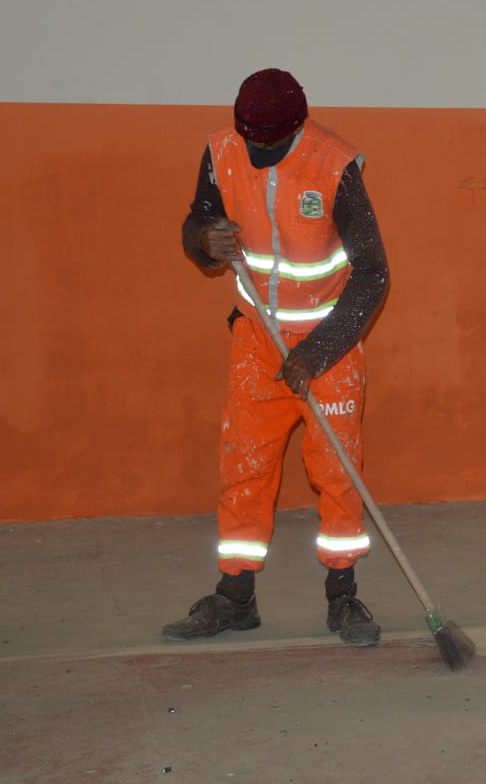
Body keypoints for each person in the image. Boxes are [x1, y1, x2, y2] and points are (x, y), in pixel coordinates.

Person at [164, 68, 390, 644]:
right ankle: (235, 597)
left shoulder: (334, 165)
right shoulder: (222, 150)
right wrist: (203, 240)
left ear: (297, 126)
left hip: (327, 341)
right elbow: (199, 218)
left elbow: (373, 274)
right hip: (257, 338)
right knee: (244, 465)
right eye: (251, 142)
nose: (257, 153)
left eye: (271, 145)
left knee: (337, 472)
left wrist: (316, 353)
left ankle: (343, 597)